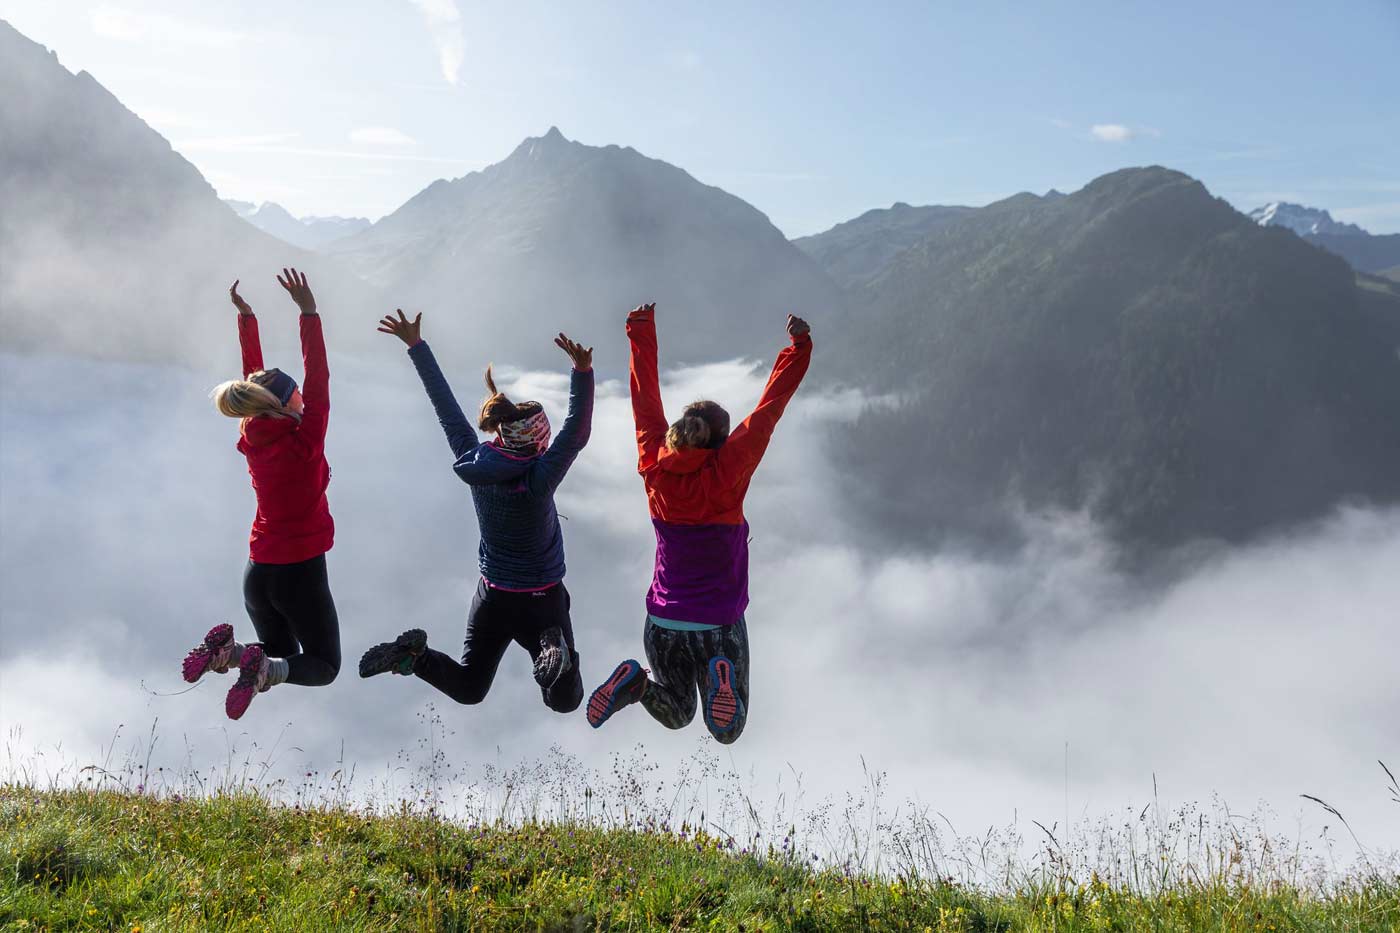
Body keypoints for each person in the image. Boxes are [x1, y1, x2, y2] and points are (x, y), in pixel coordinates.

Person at [586, 303, 813, 743]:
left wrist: (640, 329)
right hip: (718, 624)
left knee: (677, 713)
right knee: (725, 730)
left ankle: (634, 683)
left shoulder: (653, 463)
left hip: (663, 623)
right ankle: (720, 677)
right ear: (723, 443)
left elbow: (643, 399)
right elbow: (770, 408)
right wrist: (798, 348)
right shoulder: (728, 471)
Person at [358, 310, 594, 715]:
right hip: (543, 602)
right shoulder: (539, 478)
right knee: (565, 699)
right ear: (538, 443)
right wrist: (582, 372)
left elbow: (446, 411)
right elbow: (577, 432)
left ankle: (414, 658)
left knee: (469, 688)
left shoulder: (476, 463)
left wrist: (417, 347)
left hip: (493, 598)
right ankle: (554, 647)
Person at [182, 269, 340, 720]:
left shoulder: (251, 435)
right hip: (300, 573)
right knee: (324, 665)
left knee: (275, 653)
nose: (304, 399)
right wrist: (309, 313)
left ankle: (227, 654)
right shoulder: (306, 439)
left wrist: (248, 320)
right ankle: (253, 667)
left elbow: (256, 383)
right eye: (296, 396)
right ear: (287, 403)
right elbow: (319, 378)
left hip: (258, 574)